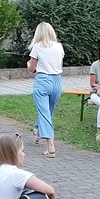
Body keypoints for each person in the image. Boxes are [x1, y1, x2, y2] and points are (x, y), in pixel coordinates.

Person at [27, 22, 65, 158]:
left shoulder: (37, 47)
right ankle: (38, 129)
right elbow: (59, 65)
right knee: (48, 111)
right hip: (57, 81)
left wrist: (28, 64)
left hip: (42, 81)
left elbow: (32, 68)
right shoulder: (59, 46)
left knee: (44, 113)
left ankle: (51, 147)